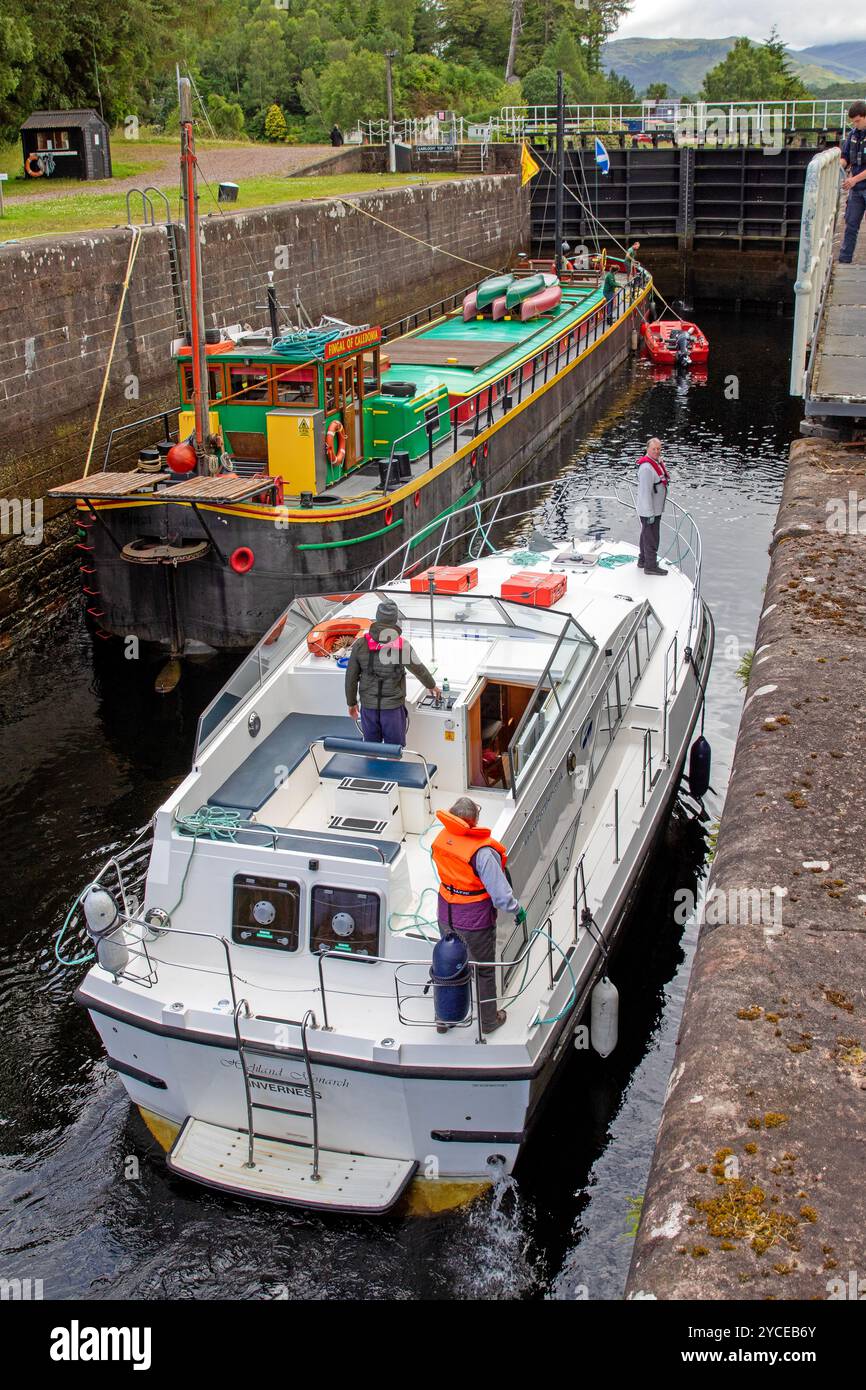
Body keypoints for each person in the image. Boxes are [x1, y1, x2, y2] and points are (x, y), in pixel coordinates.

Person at [431, 797, 526, 1035]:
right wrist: (517, 910)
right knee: (483, 970)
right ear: (473, 820)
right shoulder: (482, 852)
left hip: (446, 914)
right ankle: (489, 1021)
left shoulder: (442, 840)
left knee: (450, 965)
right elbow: (501, 896)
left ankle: (444, 1019)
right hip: (474, 922)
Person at [345, 598, 441, 745]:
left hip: (368, 708)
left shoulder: (360, 644)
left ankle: (372, 768)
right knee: (394, 750)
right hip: (392, 710)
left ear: (377, 618)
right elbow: (419, 669)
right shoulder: (402, 645)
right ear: (394, 620)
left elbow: (350, 677)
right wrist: (431, 685)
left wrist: (351, 703)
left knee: (371, 748)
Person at [634, 437, 670, 576]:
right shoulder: (647, 469)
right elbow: (645, 493)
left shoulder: (655, 462)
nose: (656, 451)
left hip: (655, 509)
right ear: (647, 449)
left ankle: (643, 560)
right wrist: (649, 514)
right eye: (654, 449)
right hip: (650, 511)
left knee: (646, 535)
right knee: (652, 537)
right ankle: (650, 566)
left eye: (658, 449)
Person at [839, 101, 866, 264]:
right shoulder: (854, 135)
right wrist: (841, 164)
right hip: (856, 190)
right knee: (850, 225)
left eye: (857, 121)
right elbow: (845, 156)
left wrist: (854, 179)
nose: (855, 124)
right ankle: (844, 260)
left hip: (857, 183)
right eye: (853, 122)